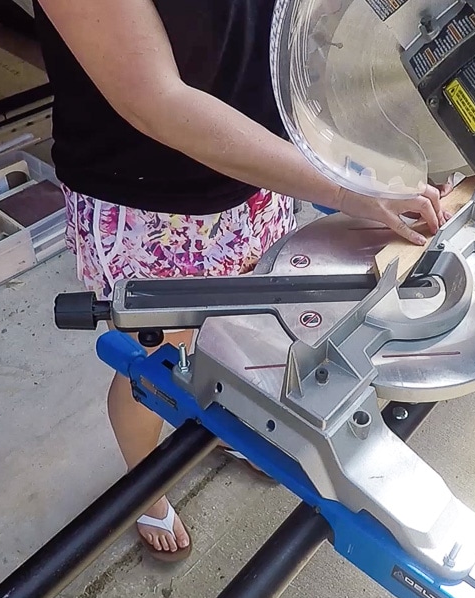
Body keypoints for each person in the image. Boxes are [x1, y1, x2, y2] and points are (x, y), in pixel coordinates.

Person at [33, 0, 452, 562]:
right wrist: (351, 187)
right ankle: (145, 488)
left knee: (251, 324)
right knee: (154, 358)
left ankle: (232, 430)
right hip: (151, 204)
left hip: (261, 169)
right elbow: (158, 100)